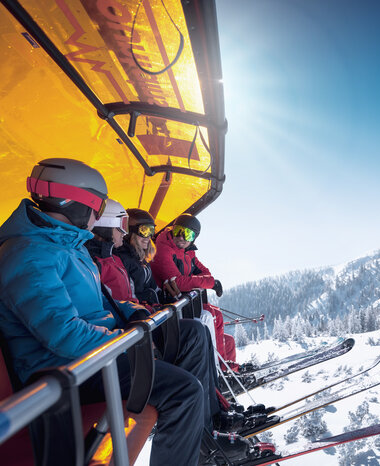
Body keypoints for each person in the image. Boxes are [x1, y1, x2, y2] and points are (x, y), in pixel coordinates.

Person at [0, 158, 239, 465]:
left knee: (190, 333)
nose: (96, 218)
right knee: (183, 392)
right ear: (77, 204)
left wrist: (133, 313)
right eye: (96, 209)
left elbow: (105, 301)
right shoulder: (29, 255)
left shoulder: (67, 246)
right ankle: (195, 442)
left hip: (99, 352)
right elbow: (64, 336)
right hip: (68, 369)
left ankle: (204, 433)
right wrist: (127, 341)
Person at [151, 214, 237, 365]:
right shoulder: (163, 248)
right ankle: (218, 369)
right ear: (172, 229)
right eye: (178, 230)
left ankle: (229, 367)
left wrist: (206, 281)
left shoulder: (188, 252)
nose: (182, 237)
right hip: (170, 304)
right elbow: (178, 282)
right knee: (210, 316)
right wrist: (209, 283)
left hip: (186, 303)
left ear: (194, 238)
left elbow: (205, 273)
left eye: (188, 234)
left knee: (225, 334)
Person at [114, 208, 160, 304]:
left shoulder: (141, 258)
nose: (148, 237)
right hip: (138, 312)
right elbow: (128, 296)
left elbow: (153, 288)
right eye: (144, 231)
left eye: (151, 231)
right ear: (129, 232)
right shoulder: (123, 259)